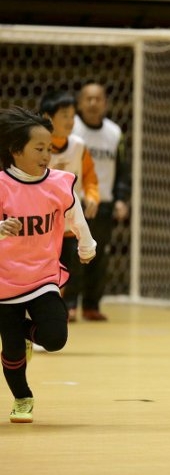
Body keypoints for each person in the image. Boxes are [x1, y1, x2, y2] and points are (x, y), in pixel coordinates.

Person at [0, 106, 96, 423]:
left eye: (49, 148)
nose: (46, 155)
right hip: (4, 282)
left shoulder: (58, 183)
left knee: (55, 337)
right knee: (11, 349)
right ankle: (22, 397)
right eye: (38, 148)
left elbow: (74, 215)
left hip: (42, 277)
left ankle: (26, 332)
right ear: (15, 151)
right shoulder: (2, 185)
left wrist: (87, 244)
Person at [69, 81, 130, 322]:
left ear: (105, 103)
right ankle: (70, 303)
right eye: (88, 98)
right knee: (73, 254)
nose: (93, 103)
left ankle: (92, 305)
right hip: (75, 204)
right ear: (80, 103)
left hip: (103, 204)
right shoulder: (70, 130)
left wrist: (121, 199)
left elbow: (123, 169)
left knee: (100, 255)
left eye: (98, 99)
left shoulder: (115, 133)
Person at [40, 89, 101, 322]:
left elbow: (90, 177)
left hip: (66, 226)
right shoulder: (34, 145)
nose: (71, 120)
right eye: (65, 115)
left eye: (73, 115)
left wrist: (92, 196)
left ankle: (49, 317)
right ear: (48, 117)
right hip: (38, 224)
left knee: (62, 273)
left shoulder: (78, 146)